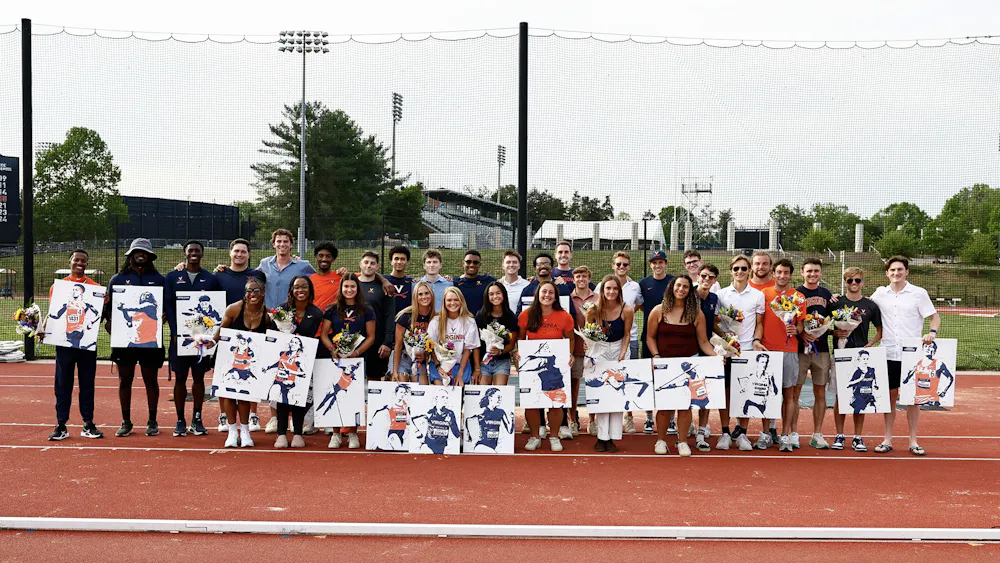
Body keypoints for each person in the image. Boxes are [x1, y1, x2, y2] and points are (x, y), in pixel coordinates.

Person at [871, 256, 941, 456]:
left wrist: (932, 332)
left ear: (907, 272)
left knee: (913, 399)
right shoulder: (880, 293)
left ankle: (913, 441)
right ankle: (887, 439)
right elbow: (863, 305)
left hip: (912, 355)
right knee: (890, 397)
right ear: (887, 273)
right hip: (888, 353)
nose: (896, 273)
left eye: (900, 269)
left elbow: (934, 316)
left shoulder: (918, 293)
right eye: (892, 270)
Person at [645, 275, 717, 456]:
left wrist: (717, 356)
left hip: (689, 365)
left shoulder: (696, 314)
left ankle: (682, 441)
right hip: (665, 364)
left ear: (689, 291)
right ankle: (661, 440)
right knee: (664, 406)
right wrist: (656, 355)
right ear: (672, 287)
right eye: (678, 285)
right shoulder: (658, 311)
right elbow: (650, 337)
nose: (681, 289)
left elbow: (703, 342)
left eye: (685, 287)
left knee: (685, 406)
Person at [104, 238, 166, 438]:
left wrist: (165, 315)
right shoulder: (117, 279)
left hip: (150, 341)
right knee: (125, 380)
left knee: (151, 381)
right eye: (137, 251)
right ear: (130, 255)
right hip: (126, 341)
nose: (141, 255)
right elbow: (109, 308)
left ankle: (152, 421)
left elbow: (167, 307)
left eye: (144, 252)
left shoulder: (160, 280)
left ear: (150, 256)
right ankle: (126, 421)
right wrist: (109, 320)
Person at [163, 240, 222, 438]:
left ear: (202, 254)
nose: (194, 253)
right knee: (180, 378)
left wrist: (211, 336)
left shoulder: (211, 279)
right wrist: (175, 332)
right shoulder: (172, 277)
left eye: (197, 250)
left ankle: (197, 419)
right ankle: (180, 421)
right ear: (185, 253)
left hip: (202, 341)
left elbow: (217, 308)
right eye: (190, 251)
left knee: (199, 378)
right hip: (180, 339)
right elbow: (168, 305)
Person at [45, 249, 104, 441]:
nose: (79, 263)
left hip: (86, 342)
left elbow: (99, 313)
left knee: (87, 383)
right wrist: (43, 326)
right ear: (69, 262)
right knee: (62, 384)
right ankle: (61, 424)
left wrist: (92, 322)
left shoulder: (95, 288)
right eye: (76, 260)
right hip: (64, 342)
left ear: (87, 264)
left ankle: (88, 423)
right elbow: (54, 313)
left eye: (83, 261)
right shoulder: (59, 288)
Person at [213, 238, 266, 432]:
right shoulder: (219, 275)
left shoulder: (257, 275)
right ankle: (223, 416)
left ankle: (252, 415)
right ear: (230, 253)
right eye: (236, 251)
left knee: (251, 374)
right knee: (224, 376)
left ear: (249, 255)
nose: (239, 254)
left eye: (243, 251)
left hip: (251, 331)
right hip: (227, 331)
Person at [211, 276, 271, 448]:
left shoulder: (268, 315)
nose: (252, 294)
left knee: (245, 395)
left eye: (256, 290)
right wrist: (209, 342)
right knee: (229, 394)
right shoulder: (234, 309)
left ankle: (244, 431)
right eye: (248, 291)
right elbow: (221, 332)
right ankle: (232, 431)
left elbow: (271, 339)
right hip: (229, 357)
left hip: (250, 360)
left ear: (263, 292)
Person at [714, 255, 766, 451]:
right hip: (727, 352)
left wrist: (756, 341)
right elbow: (715, 322)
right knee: (726, 392)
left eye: (744, 268)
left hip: (747, 352)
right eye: (736, 268)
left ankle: (742, 433)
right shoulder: (721, 294)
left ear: (749, 271)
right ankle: (725, 433)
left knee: (745, 393)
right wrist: (726, 339)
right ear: (731, 271)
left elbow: (759, 323)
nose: (740, 272)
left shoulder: (758, 295)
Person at [517, 281, 575, 452]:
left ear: (555, 296)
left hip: (554, 367)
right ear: (538, 294)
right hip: (534, 366)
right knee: (532, 401)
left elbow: (570, 339)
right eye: (544, 292)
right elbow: (520, 339)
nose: (547, 295)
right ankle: (535, 436)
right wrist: (518, 353)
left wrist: (570, 354)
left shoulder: (564, 316)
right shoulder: (526, 315)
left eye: (551, 292)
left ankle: (554, 437)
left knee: (556, 401)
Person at [320, 274, 377, 449]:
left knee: (354, 397)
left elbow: (371, 336)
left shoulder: (366, 310)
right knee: (336, 395)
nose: (349, 290)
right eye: (346, 286)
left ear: (357, 289)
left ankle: (353, 433)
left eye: (353, 286)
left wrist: (356, 352)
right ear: (341, 288)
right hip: (336, 360)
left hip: (356, 361)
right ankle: (336, 434)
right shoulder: (332, 309)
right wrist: (333, 350)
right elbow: (324, 334)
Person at [829, 267, 882, 452]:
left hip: (860, 356)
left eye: (857, 280)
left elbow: (880, 330)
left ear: (863, 282)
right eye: (850, 280)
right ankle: (839, 434)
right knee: (840, 397)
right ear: (845, 282)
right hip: (840, 355)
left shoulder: (870, 305)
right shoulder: (835, 303)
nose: (854, 283)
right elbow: (824, 326)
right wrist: (835, 333)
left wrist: (870, 344)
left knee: (860, 397)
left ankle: (858, 436)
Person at [758, 258, 805, 452]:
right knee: (766, 393)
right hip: (768, 351)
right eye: (779, 272)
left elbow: (801, 326)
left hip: (789, 351)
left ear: (791, 275)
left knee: (789, 394)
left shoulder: (798, 297)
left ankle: (785, 435)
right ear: (773, 274)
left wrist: (796, 329)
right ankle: (766, 433)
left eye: (786, 272)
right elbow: (759, 321)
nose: (782, 276)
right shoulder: (764, 294)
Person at [272, 276, 324, 449]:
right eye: (296, 287)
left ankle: (297, 434)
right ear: (291, 290)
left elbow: (317, 338)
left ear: (310, 290)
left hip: (303, 362)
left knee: (298, 397)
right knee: (282, 396)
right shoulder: (281, 310)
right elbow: (272, 333)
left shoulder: (316, 313)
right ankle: (281, 433)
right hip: (283, 361)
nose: (300, 290)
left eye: (304, 287)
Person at [585, 275, 634, 453]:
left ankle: (612, 437)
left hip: (620, 349)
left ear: (619, 291)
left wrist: (623, 352)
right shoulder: (593, 310)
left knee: (616, 392)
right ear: (602, 290)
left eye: (615, 289)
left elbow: (627, 334)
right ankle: (601, 437)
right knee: (602, 392)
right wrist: (589, 349)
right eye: (608, 288)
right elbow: (588, 333)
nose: (611, 292)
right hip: (600, 349)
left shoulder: (627, 309)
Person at [601, 252, 647, 435]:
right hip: (605, 345)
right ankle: (601, 423)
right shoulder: (602, 286)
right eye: (618, 264)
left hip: (629, 340)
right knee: (605, 382)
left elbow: (640, 304)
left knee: (626, 380)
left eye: (625, 264)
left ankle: (628, 417)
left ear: (629, 267)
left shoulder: (635, 286)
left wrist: (625, 315)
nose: (621, 267)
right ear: (613, 265)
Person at [796, 258, 833, 450]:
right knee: (794, 392)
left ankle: (817, 434)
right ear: (802, 272)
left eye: (816, 271)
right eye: (809, 271)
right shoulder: (795, 293)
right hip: (799, 350)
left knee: (820, 392)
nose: (812, 274)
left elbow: (833, 319)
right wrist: (801, 333)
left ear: (821, 273)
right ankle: (792, 433)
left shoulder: (827, 294)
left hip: (822, 350)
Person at [692, 263, 724, 447]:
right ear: (698, 276)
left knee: (706, 391)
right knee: (687, 391)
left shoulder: (714, 298)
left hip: (707, 350)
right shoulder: (688, 295)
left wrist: (727, 338)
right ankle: (686, 426)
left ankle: (701, 431)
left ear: (715, 280)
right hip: (688, 350)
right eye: (703, 275)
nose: (706, 279)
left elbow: (711, 323)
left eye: (710, 277)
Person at [427, 287, 480, 387]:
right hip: (439, 366)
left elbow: (468, 349)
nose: (453, 303)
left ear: (461, 301)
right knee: (441, 394)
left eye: (456, 300)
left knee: (458, 394)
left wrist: (460, 373)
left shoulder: (469, 321)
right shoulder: (436, 321)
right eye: (449, 300)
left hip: (461, 366)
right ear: (444, 302)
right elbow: (431, 347)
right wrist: (438, 366)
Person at [569, 266, 599, 437]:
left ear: (589, 278)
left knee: (594, 385)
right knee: (573, 385)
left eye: (584, 276)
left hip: (594, 350)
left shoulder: (598, 298)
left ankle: (592, 421)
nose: (581, 279)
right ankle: (572, 420)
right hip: (575, 348)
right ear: (573, 279)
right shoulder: (568, 298)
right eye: (578, 276)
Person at [257, 228, 317, 311]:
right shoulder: (264, 264)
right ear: (273, 244)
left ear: (291, 244)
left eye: (285, 241)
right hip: (268, 313)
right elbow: (251, 279)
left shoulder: (303, 265)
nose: (282, 244)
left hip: (292, 314)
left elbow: (318, 281)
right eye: (279, 241)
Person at [358, 252, 395, 381]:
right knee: (352, 379)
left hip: (377, 343)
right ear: (360, 264)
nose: (368, 266)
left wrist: (387, 342)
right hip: (354, 341)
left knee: (374, 382)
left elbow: (390, 316)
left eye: (372, 263)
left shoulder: (385, 288)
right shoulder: (351, 285)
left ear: (377, 267)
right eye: (366, 262)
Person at [475, 282, 518, 385]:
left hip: (502, 361)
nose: (495, 296)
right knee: (483, 392)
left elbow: (511, 345)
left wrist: (500, 351)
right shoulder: (481, 315)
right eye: (491, 294)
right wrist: (476, 367)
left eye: (498, 293)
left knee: (500, 392)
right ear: (487, 297)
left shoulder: (511, 317)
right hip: (484, 361)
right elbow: (476, 343)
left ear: (503, 294)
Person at [392, 281, 435, 383]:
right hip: (403, 357)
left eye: (427, 293)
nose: (424, 297)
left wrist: (425, 355)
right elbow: (398, 345)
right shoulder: (405, 316)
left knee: (422, 387)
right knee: (402, 385)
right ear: (415, 297)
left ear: (432, 295)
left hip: (421, 359)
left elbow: (434, 345)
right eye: (420, 294)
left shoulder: (435, 317)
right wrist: (395, 371)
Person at [904, 341, 954, 407]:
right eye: (926, 346)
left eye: (930, 347)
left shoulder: (938, 363)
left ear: (935, 350)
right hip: (918, 400)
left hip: (932, 401)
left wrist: (944, 390)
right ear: (923, 349)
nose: (927, 348)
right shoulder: (917, 363)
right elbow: (905, 381)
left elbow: (950, 378)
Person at [412, 389, 461, 454]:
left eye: (446, 398)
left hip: (442, 445)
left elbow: (456, 432)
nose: (445, 400)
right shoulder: (429, 412)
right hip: (428, 445)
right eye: (443, 397)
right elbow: (414, 420)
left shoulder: (450, 413)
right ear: (436, 398)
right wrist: (418, 433)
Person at [466, 387, 513, 452]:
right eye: (498, 397)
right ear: (490, 398)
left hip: (493, 447)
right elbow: (468, 420)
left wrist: (511, 419)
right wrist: (470, 435)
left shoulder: (501, 412)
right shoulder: (481, 411)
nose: (500, 399)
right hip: (481, 446)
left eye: (501, 397)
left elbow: (510, 430)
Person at [455, 250, 496, 319]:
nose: (472, 265)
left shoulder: (488, 280)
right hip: (463, 322)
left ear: (480, 264)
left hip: (484, 322)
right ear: (463, 263)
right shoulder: (455, 283)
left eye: (475, 262)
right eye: (468, 262)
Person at [309, 242, 342, 312]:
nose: (324, 259)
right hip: (314, 318)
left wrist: (346, 273)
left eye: (328, 256)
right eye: (320, 255)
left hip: (334, 317)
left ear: (333, 259)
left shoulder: (340, 277)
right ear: (316, 258)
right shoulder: (309, 281)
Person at [417, 248, 453, 313]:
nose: (432, 265)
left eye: (435, 262)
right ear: (424, 266)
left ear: (440, 265)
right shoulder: (416, 285)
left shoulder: (449, 284)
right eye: (429, 262)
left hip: (442, 318)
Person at [386, 246, 414, 316]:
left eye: (402, 259)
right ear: (391, 261)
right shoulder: (383, 280)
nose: (399, 262)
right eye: (396, 259)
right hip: (387, 321)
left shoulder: (412, 283)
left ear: (407, 262)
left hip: (405, 321)